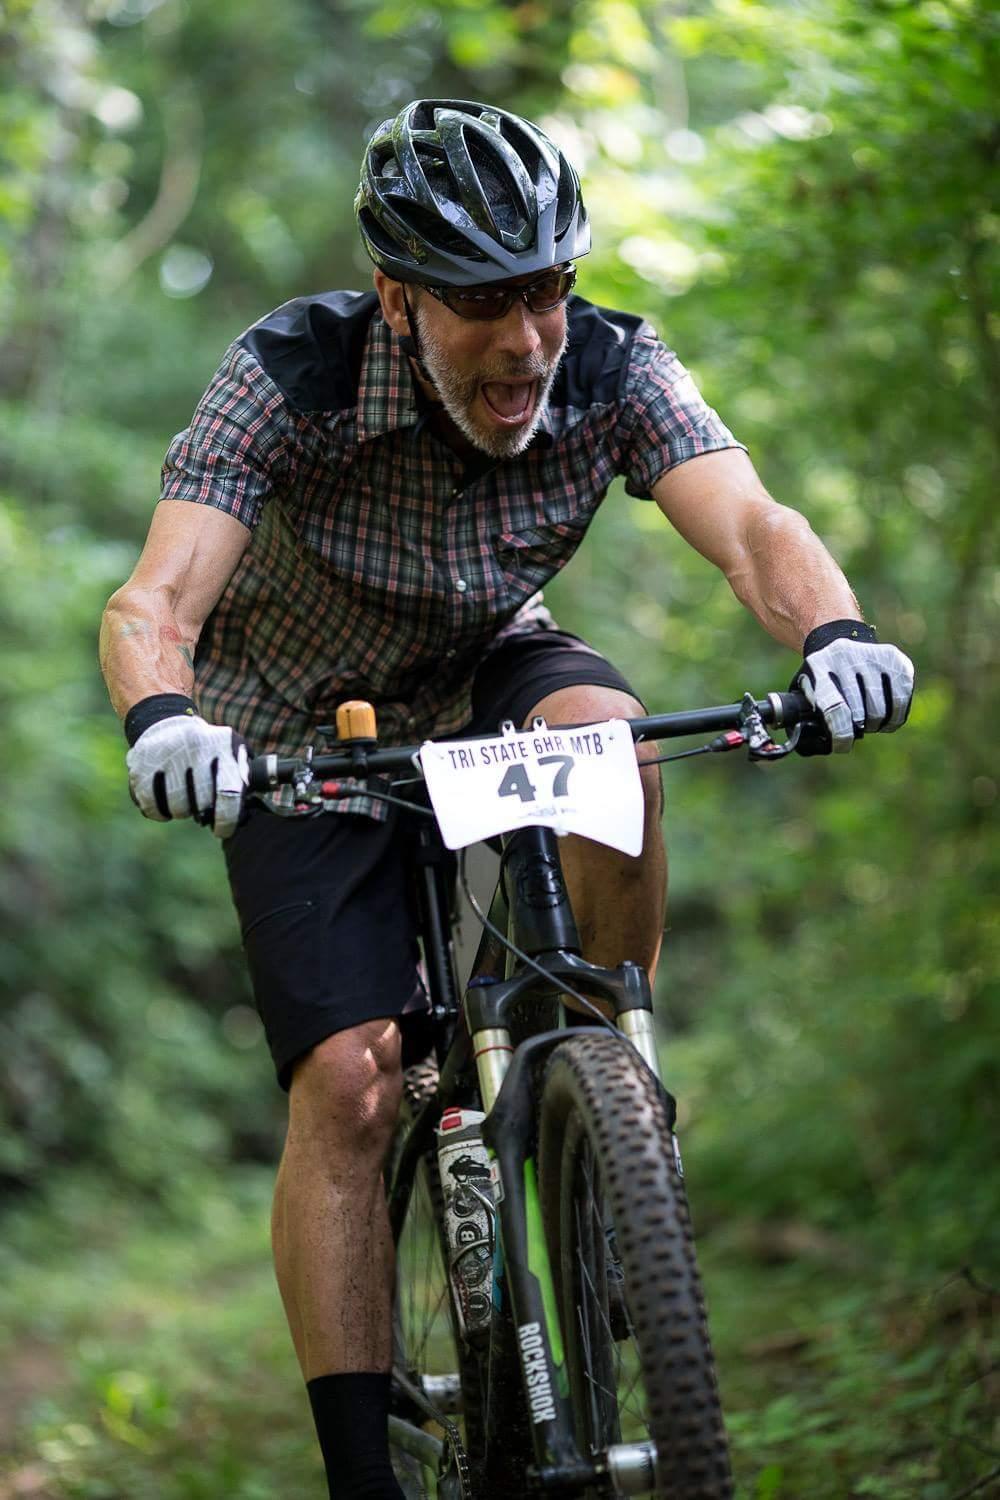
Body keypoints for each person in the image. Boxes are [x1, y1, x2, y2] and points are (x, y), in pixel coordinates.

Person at [99, 99, 914, 1499]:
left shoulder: (611, 365)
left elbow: (757, 526)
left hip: (488, 666)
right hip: (302, 729)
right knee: (353, 1087)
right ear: (398, 298)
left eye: (546, 289)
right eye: (484, 302)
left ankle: (611, 1096)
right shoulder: (287, 375)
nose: (528, 340)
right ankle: (363, 1470)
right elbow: (156, 598)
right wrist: (165, 715)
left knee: (614, 737)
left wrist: (833, 634)